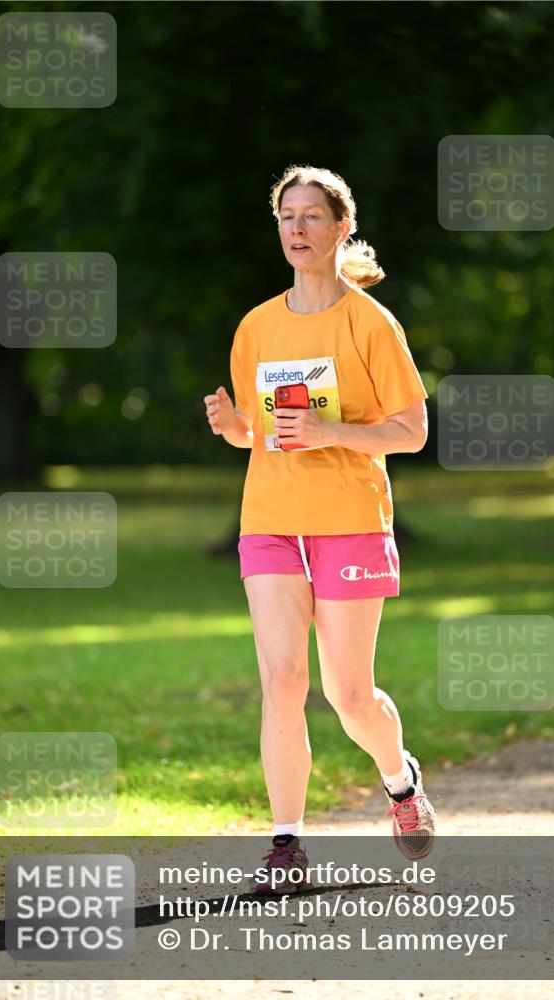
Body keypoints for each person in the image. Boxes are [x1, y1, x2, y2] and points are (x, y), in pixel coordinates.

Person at [204, 164, 436, 894]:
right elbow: (260, 431)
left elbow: (411, 432)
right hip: (269, 522)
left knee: (348, 695)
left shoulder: (370, 323)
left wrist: (332, 429)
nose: (296, 229)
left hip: (347, 524)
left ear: (341, 227)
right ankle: (285, 844)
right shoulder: (256, 326)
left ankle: (399, 784)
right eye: (285, 217)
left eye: (310, 216)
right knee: (281, 681)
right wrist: (233, 427)